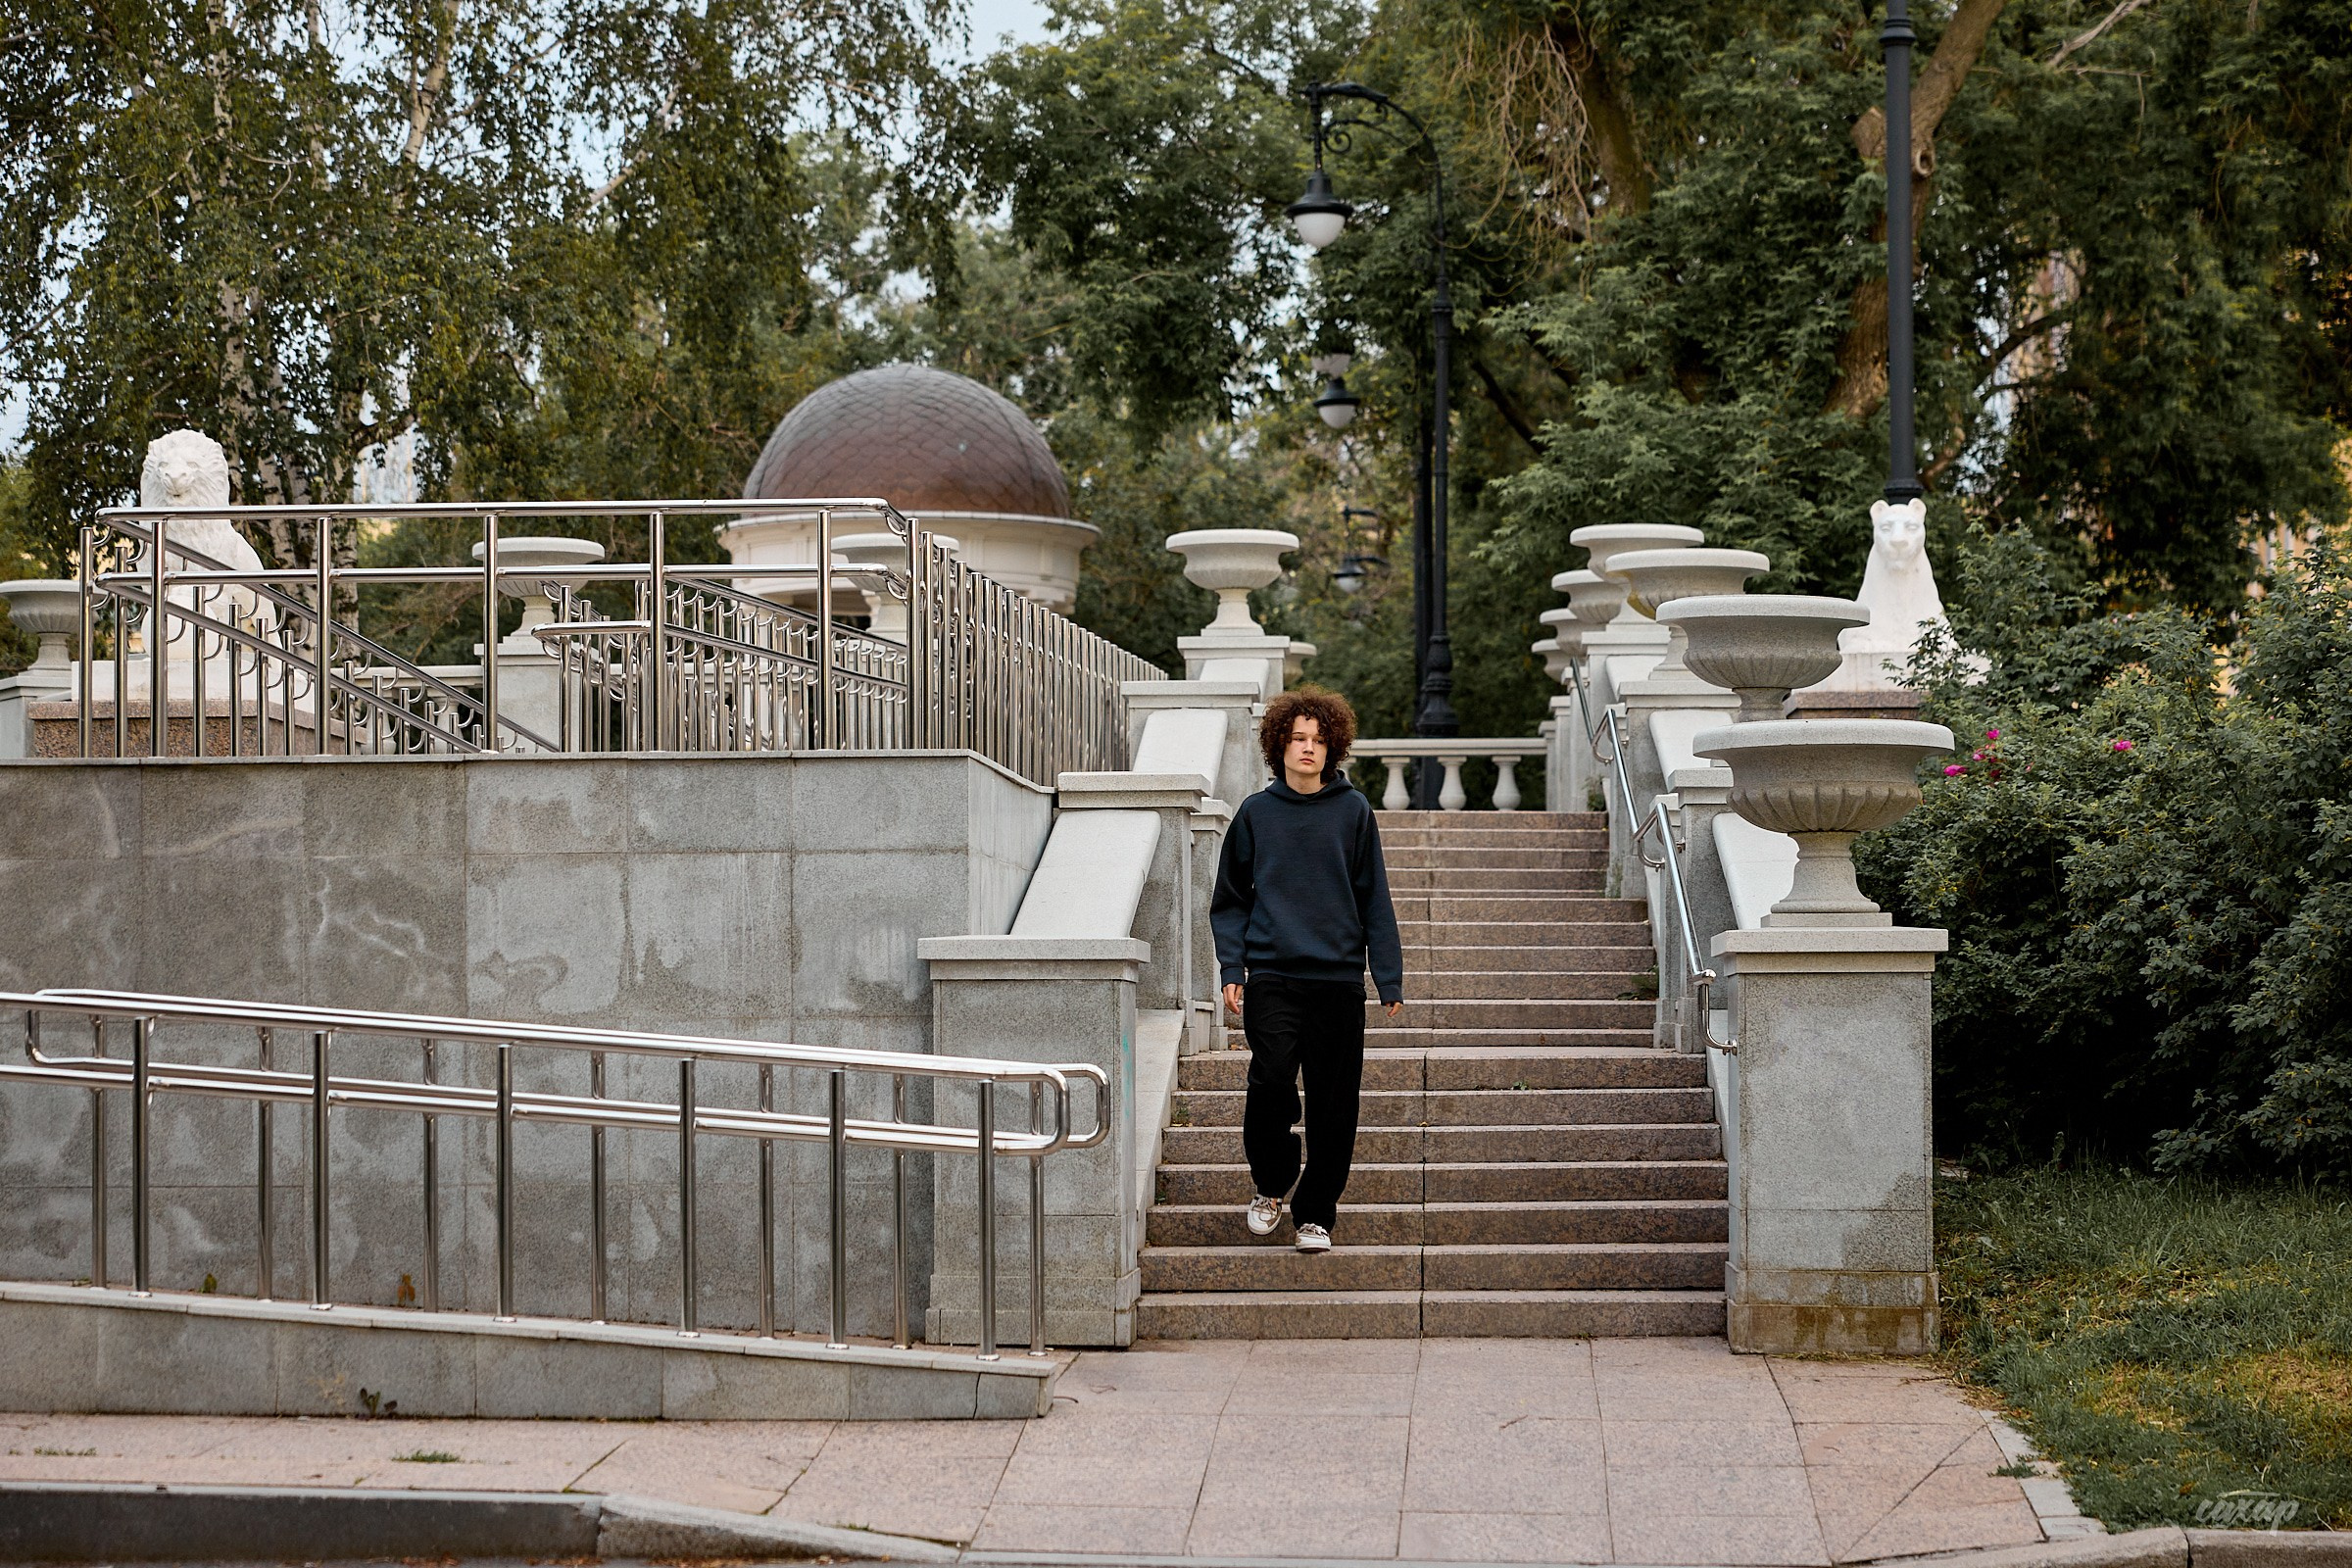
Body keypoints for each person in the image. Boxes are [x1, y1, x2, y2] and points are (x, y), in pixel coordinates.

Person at [1209, 686, 1403, 1254]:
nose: (1308, 749)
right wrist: (1232, 967)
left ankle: (1316, 1212)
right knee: (1269, 1081)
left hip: (1339, 982)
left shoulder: (1354, 812)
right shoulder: (1255, 814)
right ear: (1279, 746)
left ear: (1333, 747)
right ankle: (1270, 1184)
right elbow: (1230, 899)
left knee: (1334, 1102)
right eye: (1298, 739)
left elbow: (1375, 900)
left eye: (1318, 741)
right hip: (1272, 976)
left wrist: (1386, 977)